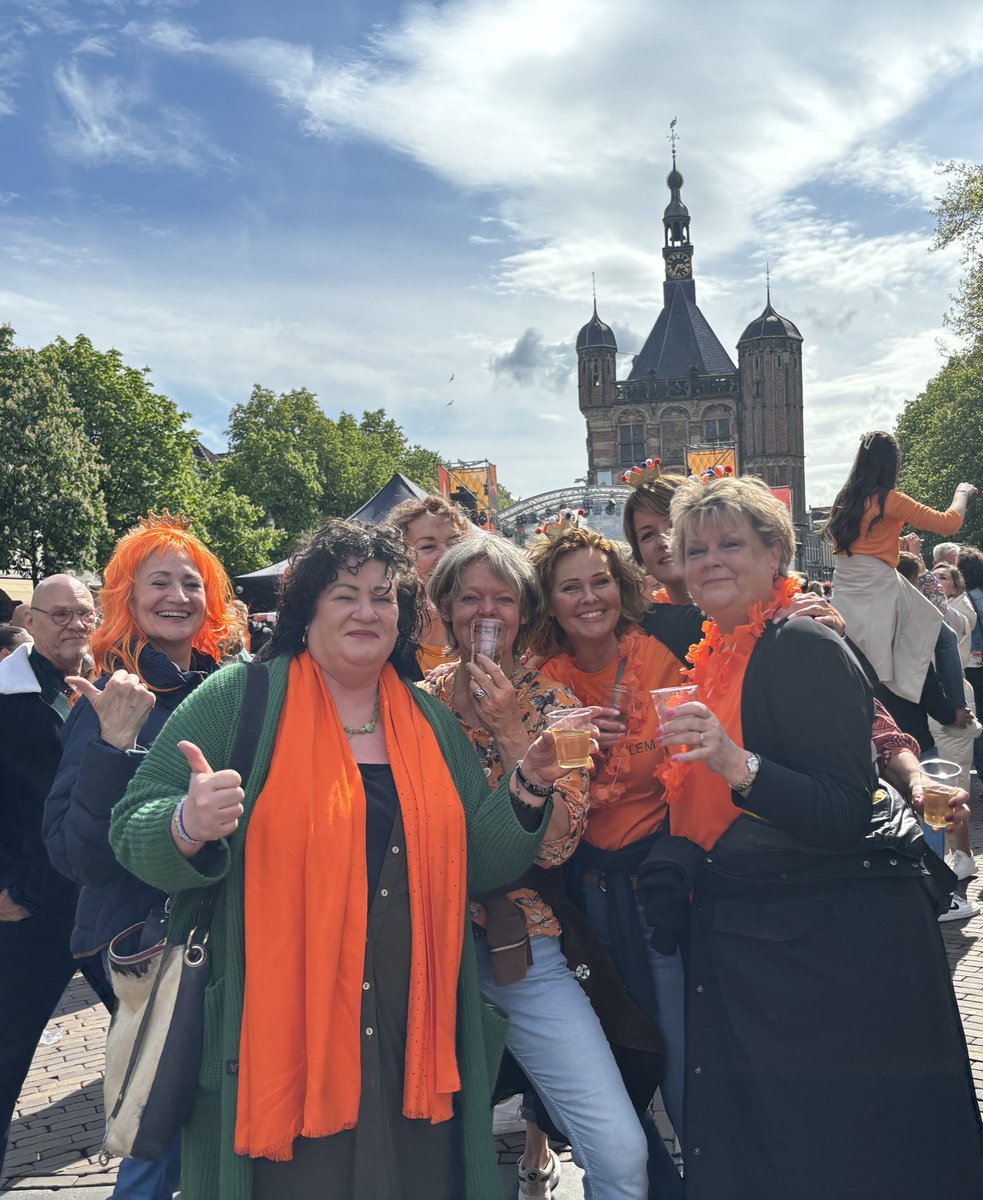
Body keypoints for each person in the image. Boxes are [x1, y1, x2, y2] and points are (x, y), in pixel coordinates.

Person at [109, 519, 572, 1200]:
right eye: (345, 594)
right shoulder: (240, 699)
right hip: (272, 1035)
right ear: (307, 611)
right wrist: (188, 821)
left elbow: (484, 861)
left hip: (411, 1032)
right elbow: (130, 826)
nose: (367, 611)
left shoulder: (428, 721)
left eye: (383, 596)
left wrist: (527, 788)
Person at [646, 474, 983, 1200]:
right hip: (751, 933)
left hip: (808, 949)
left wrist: (738, 766)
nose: (708, 559)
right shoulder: (713, 658)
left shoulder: (798, 642)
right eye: (693, 547)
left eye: (730, 542)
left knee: (818, 1153)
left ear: (775, 553)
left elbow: (837, 808)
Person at [423, 536, 653, 1200]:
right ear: (444, 609)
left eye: (502, 599)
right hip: (423, 950)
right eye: (469, 597)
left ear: (524, 613)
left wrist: (511, 732)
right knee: (431, 1156)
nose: (485, 613)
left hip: (518, 944)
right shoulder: (413, 704)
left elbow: (553, 846)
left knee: (618, 1150)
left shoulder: (555, 706)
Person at [43, 514, 244, 1200]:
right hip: (147, 938)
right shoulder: (113, 692)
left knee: (208, 1118)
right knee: (160, 1119)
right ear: (127, 597)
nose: (177, 595)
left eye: (192, 582)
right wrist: (112, 743)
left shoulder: (225, 687)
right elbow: (76, 856)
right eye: (157, 581)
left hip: (222, 932)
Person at [526, 527, 688, 1168]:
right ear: (550, 601)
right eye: (570, 587)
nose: (589, 597)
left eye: (599, 581)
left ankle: (702, 1170)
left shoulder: (665, 656)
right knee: (613, 1051)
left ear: (621, 587)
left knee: (678, 1043)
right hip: (582, 899)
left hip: (660, 887)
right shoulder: (540, 683)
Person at [0, 576, 109, 1178]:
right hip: (30, 908)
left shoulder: (112, 686)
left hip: (103, 899)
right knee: (8, 1050)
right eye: (60, 614)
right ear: (31, 620)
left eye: (83, 614)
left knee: (155, 1041)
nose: (74, 623)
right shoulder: (6, 694)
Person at [826, 430, 976, 702]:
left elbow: (857, 548)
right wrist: (962, 493)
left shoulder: (844, 500)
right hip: (879, 588)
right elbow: (949, 523)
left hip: (847, 592)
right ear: (893, 464)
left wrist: (894, 544)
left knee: (862, 664)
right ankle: (957, 708)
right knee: (942, 636)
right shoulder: (890, 500)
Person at [388, 495, 475, 676]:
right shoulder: (388, 635)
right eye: (428, 546)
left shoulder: (489, 627)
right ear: (401, 558)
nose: (446, 555)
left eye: (455, 542)